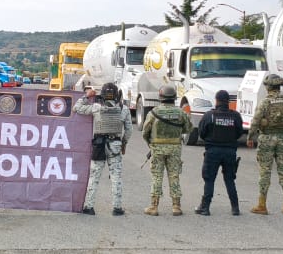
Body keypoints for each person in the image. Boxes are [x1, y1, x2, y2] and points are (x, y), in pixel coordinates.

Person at [75, 82, 134, 215]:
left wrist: (87, 96)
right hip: (115, 145)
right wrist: (123, 143)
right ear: (116, 94)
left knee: (94, 177)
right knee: (116, 177)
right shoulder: (124, 109)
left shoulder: (96, 107)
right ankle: (117, 208)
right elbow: (129, 130)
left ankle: (89, 207)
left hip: (99, 145)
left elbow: (77, 108)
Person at [247, 73, 283, 215]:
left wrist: (250, 136)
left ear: (268, 87)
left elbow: (256, 120)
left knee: (265, 171)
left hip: (267, 138)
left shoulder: (265, 102)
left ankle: (262, 205)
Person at [141, 85, 188, 216]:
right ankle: (176, 206)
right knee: (174, 176)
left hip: (157, 148)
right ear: (174, 98)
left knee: (157, 176)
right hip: (175, 148)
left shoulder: (153, 113)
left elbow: (145, 132)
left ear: (160, 97)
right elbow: (188, 128)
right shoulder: (181, 113)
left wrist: (151, 144)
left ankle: (154, 207)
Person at [196, 89, 243, 216]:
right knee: (229, 180)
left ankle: (205, 207)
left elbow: (201, 133)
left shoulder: (209, 115)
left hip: (213, 151)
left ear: (216, 101)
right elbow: (239, 132)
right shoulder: (235, 116)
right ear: (228, 101)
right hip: (230, 152)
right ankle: (235, 208)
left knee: (209, 179)